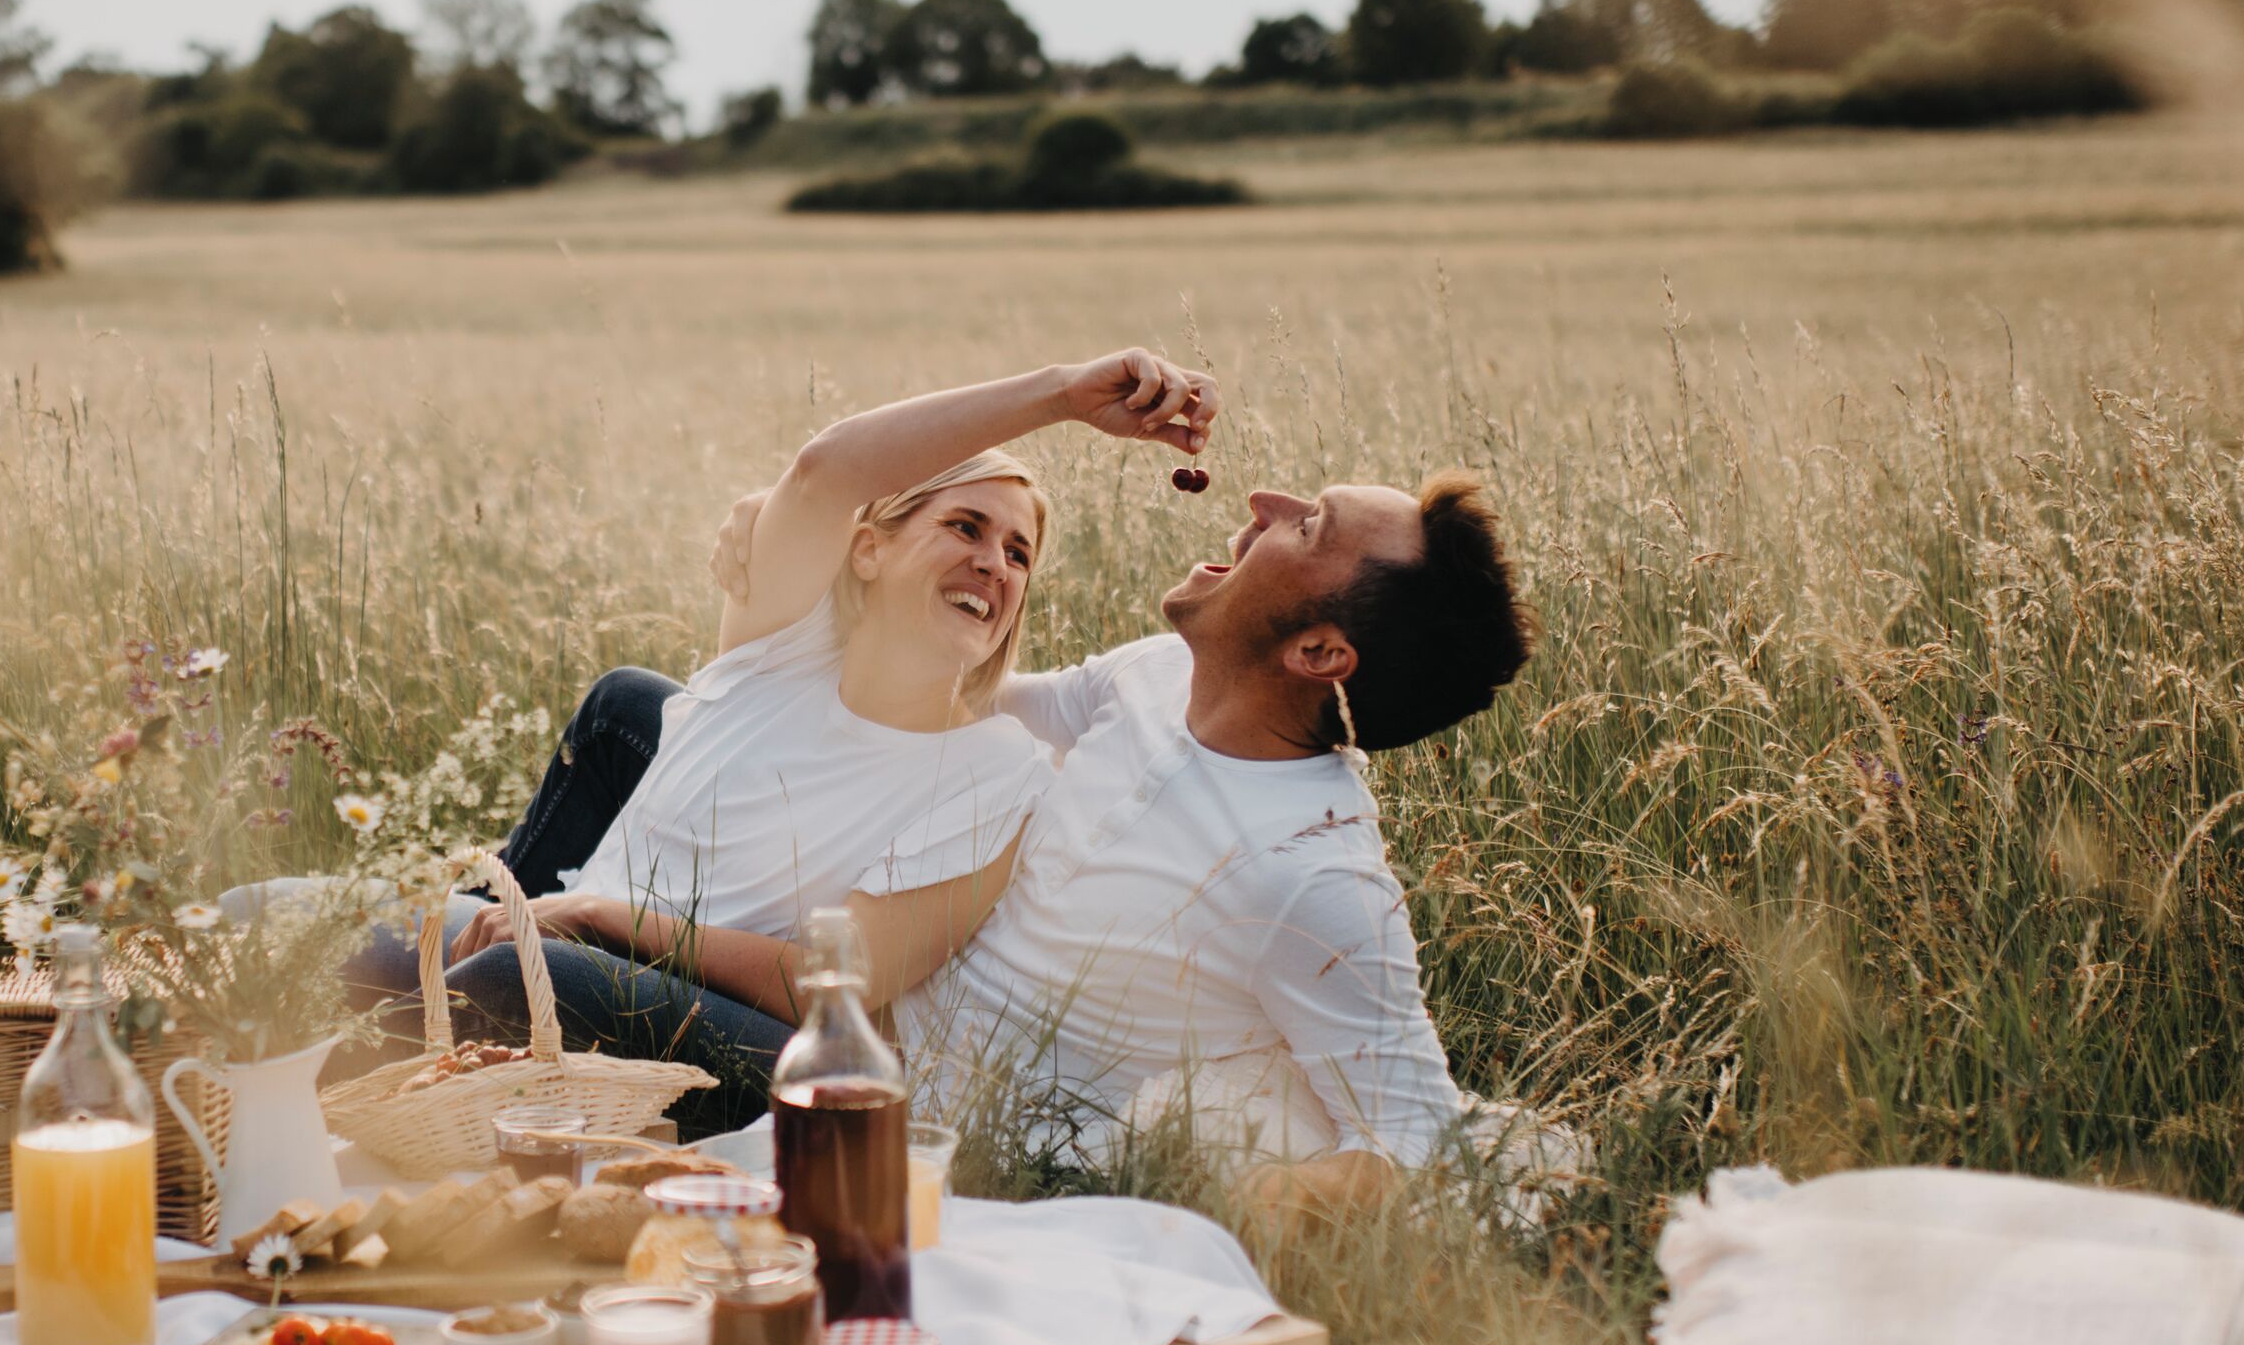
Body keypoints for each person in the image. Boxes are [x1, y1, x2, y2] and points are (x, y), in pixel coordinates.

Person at [345, 349, 1219, 1132]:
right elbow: (824, 473)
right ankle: (427, 1017)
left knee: (507, 983)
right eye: (965, 527)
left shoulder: (1001, 776)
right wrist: (1064, 394)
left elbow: (831, 986)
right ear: (868, 550)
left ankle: (379, 1083)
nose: (996, 562)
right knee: (298, 926)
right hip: (571, 946)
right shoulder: (783, 648)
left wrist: (596, 913)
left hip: (765, 1052)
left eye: (1020, 554)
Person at [690, 448, 1538, 1224]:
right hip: (855, 996)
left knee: (573, 972)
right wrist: (802, 541)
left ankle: (553, 942)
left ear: (1318, 652)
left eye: (1307, 523)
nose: (1264, 500)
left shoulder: (1312, 873)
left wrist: (1265, 1190)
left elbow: (1422, 1142)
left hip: (904, 1115)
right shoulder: (1160, 672)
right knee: (632, 707)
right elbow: (942, 702)